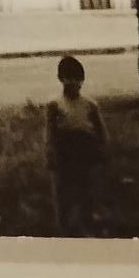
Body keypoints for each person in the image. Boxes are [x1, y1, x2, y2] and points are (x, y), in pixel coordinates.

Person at [46, 54, 107, 234]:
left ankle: (86, 222)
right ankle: (63, 226)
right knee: (63, 189)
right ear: (60, 79)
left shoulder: (90, 104)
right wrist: (50, 151)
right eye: (68, 78)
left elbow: (100, 130)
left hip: (85, 149)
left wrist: (102, 148)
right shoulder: (54, 105)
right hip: (65, 150)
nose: (73, 83)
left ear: (82, 80)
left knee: (86, 188)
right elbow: (50, 131)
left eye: (77, 79)